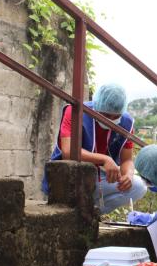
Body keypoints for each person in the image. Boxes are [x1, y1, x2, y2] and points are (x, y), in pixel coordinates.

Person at [42, 83, 146, 214]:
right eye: (106, 115)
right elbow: (68, 152)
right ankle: (80, 213)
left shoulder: (127, 122)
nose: (111, 120)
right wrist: (104, 159)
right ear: (97, 107)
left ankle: (90, 213)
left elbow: (127, 160)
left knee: (138, 187)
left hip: (101, 177)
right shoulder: (76, 111)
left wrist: (128, 175)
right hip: (71, 176)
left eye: (116, 116)